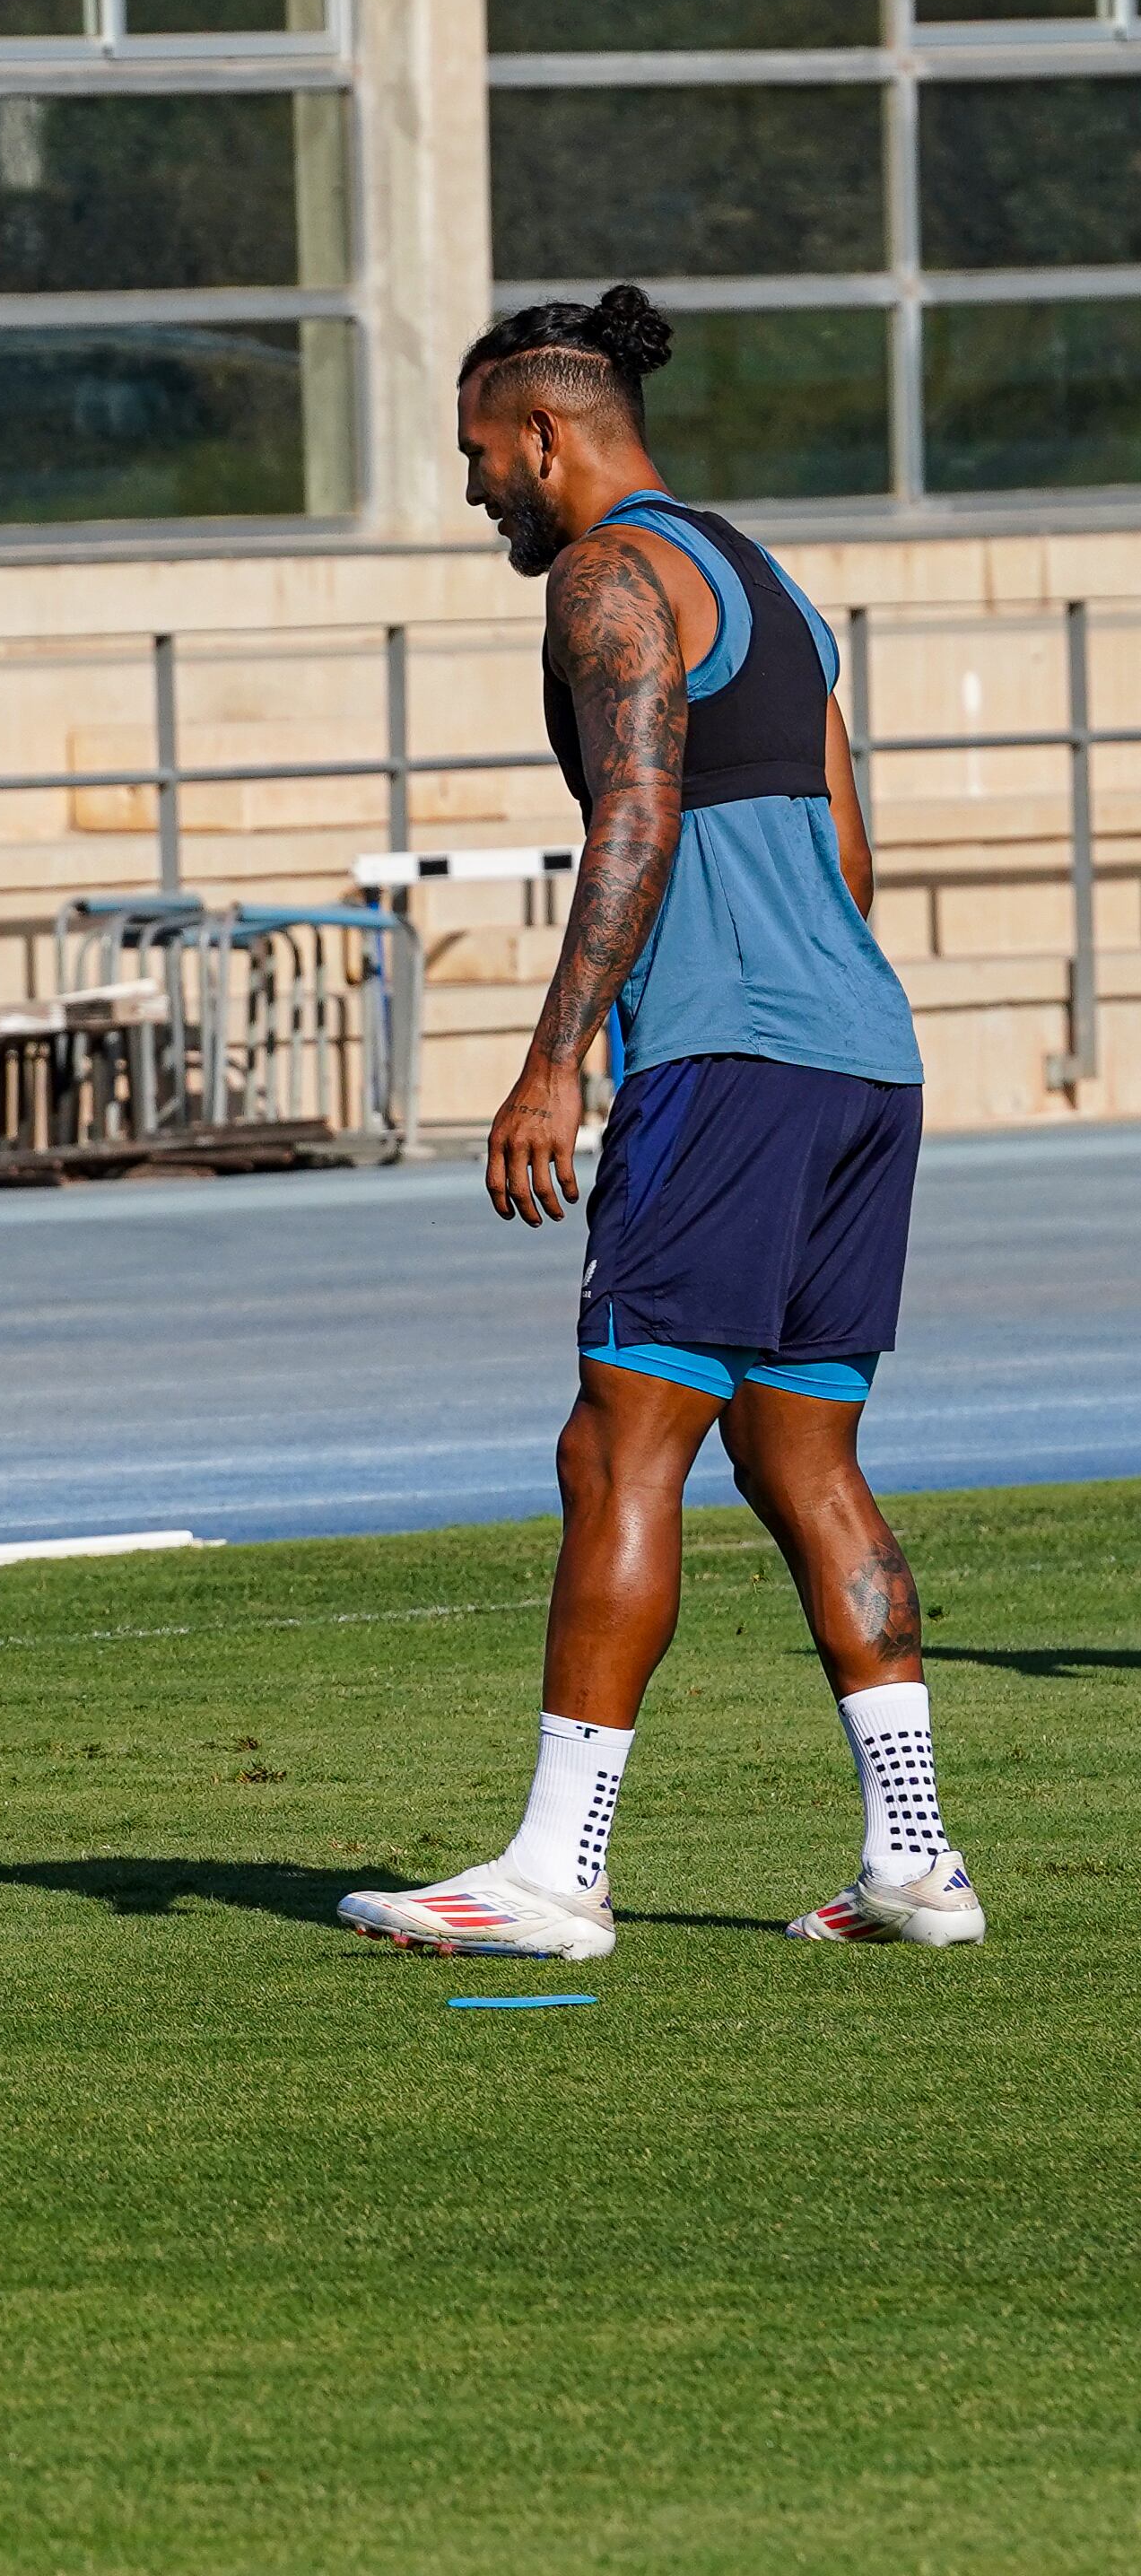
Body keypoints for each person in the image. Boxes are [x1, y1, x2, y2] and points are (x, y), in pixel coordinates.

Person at [344, 286, 972, 1960]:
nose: (478, 487)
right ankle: (915, 1861)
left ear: (548, 434)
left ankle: (555, 1871)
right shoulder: (769, 578)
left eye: (482, 454)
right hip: (861, 1055)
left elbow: (636, 806)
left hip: (730, 1061)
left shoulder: (612, 575)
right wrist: (811, 1012)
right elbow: (849, 844)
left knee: (617, 1444)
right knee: (804, 1455)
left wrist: (559, 1059)